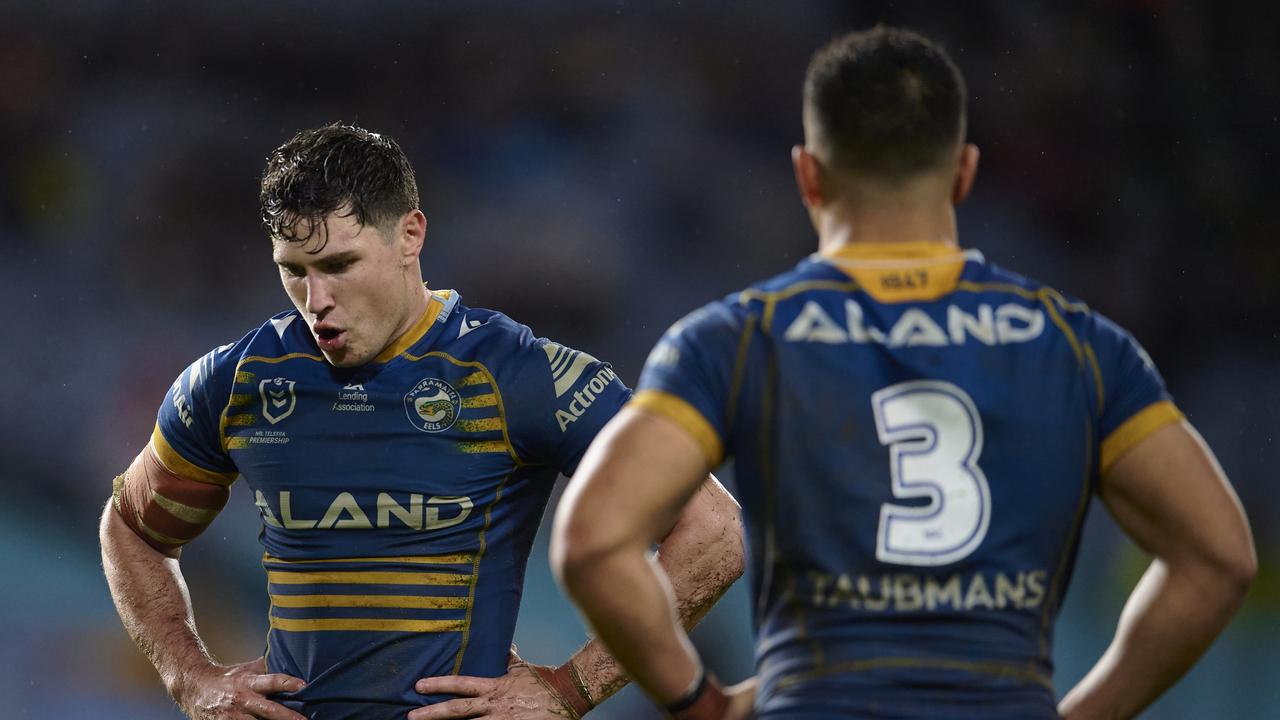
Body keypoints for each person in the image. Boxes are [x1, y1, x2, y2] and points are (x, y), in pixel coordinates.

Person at [551, 26, 1256, 719]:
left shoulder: (731, 341)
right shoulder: (1078, 345)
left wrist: (698, 702)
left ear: (807, 173)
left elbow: (593, 543)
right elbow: (1219, 557)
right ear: (965, 171)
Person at [99, 122, 745, 720]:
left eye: (340, 265)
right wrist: (191, 677)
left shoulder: (514, 374)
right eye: (293, 273)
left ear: (411, 235)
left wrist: (574, 688)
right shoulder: (239, 379)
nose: (316, 301)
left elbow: (714, 530)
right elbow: (130, 529)